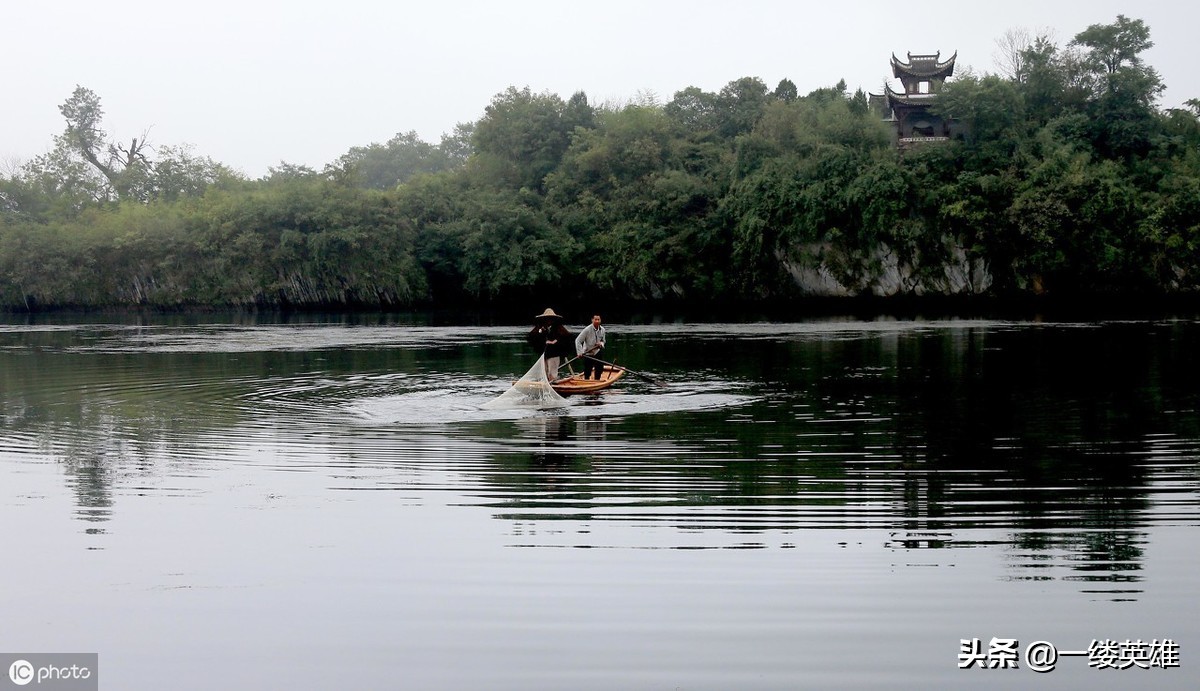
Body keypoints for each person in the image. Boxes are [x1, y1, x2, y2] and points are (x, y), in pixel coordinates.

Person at [526, 308, 573, 381]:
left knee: (552, 374)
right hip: (544, 354)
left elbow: (566, 337)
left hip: (554, 354)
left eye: (550, 318)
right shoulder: (541, 327)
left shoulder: (558, 327)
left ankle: (553, 386)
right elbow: (532, 337)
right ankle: (546, 387)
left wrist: (556, 341)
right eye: (547, 318)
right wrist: (544, 340)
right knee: (544, 372)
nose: (549, 320)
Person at [575, 314, 606, 380]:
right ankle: (586, 382)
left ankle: (597, 382)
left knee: (599, 368)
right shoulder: (587, 330)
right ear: (592, 320)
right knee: (587, 371)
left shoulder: (602, 330)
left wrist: (601, 344)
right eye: (595, 319)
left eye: (598, 319)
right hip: (587, 353)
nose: (597, 321)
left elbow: (603, 341)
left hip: (597, 351)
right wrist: (579, 352)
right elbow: (578, 340)